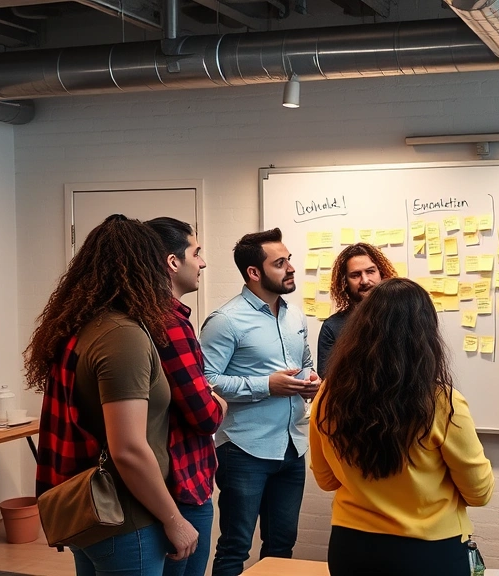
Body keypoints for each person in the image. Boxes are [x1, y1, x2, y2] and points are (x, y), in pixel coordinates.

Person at [26, 214, 199, 575]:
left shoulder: (82, 326)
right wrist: (174, 519)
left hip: (99, 516)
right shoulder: (122, 336)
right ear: (144, 267)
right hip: (127, 520)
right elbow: (129, 449)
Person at [309, 277, 495, 576]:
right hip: (428, 551)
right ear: (425, 335)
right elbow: (480, 493)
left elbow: (327, 480)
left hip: (351, 547)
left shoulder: (329, 396)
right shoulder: (443, 403)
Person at [199, 227, 321, 576]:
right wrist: (265, 385)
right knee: (235, 546)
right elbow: (205, 381)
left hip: (292, 448)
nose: (290, 268)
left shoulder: (295, 315)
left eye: (289, 260)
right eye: (280, 263)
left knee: (281, 547)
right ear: (254, 273)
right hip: (244, 451)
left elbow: (308, 364)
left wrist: (312, 381)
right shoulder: (225, 321)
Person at [145, 217, 227, 576]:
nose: (203, 263)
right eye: (197, 253)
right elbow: (205, 414)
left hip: (165, 483)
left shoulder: (149, 314)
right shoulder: (169, 323)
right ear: (172, 262)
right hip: (182, 485)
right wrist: (220, 399)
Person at [317, 242, 396, 376]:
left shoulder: (401, 316)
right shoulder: (333, 327)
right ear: (345, 283)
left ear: (381, 274)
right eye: (355, 275)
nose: (365, 280)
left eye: (370, 271)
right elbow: (328, 378)